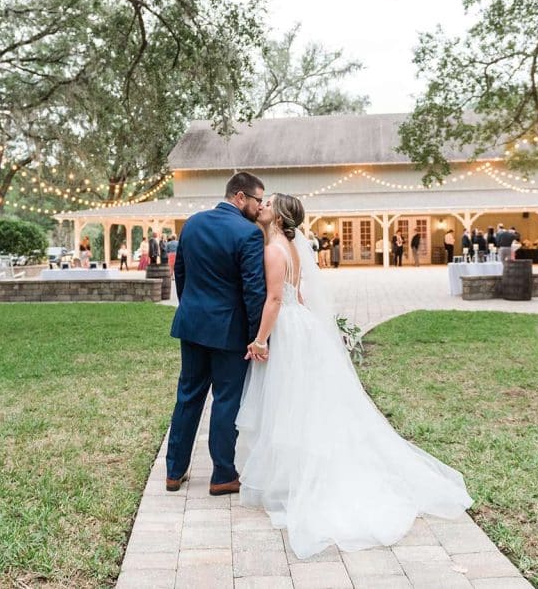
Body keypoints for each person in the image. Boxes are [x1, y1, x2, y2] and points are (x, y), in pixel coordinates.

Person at [236, 192, 472, 560]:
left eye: (269, 204)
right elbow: (298, 295)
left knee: (287, 401)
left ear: (279, 217)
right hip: (300, 326)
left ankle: (293, 478)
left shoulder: (273, 249)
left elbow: (276, 299)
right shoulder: (292, 248)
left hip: (286, 327)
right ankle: (291, 473)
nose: (262, 205)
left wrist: (261, 339)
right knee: (301, 402)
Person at [166, 172, 267, 498]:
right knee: (226, 400)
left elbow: (180, 273)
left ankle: (173, 471)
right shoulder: (248, 233)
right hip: (229, 332)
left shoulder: (192, 223)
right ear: (240, 197)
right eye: (258, 200)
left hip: (192, 325)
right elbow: (254, 291)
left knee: (188, 395)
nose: (260, 207)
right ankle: (222, 475)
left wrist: (192, 308)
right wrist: (256, 337)